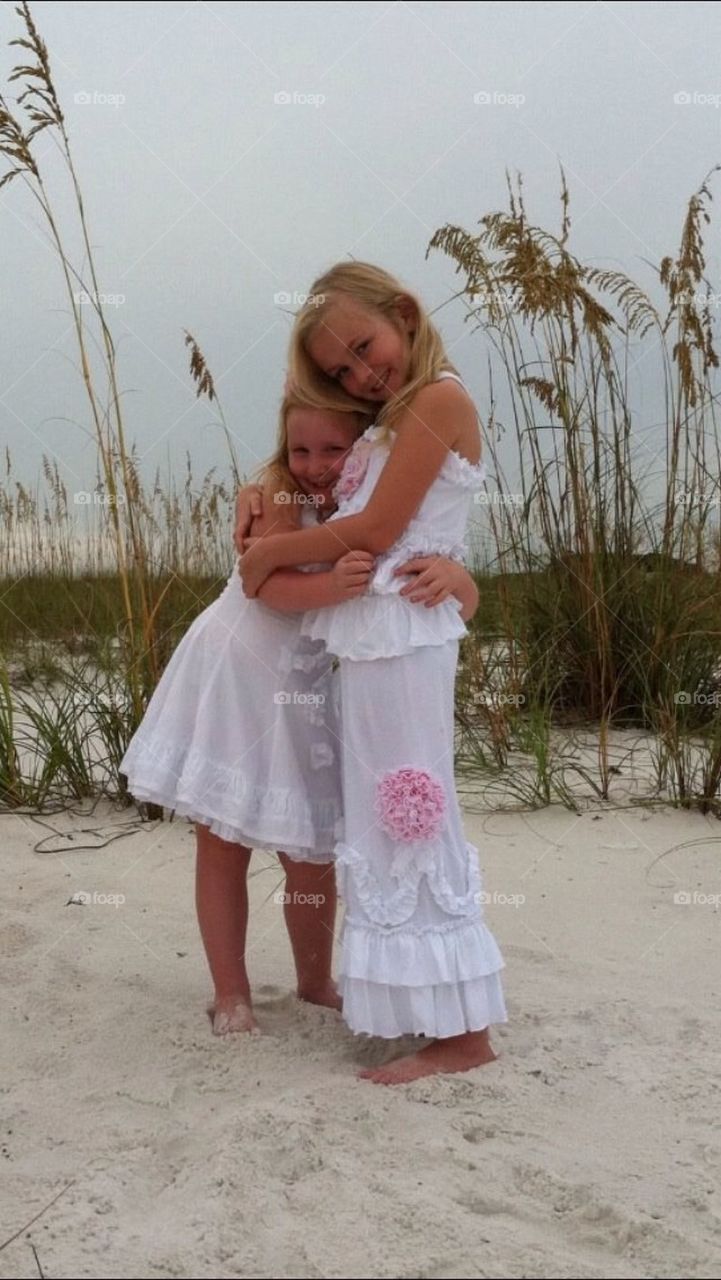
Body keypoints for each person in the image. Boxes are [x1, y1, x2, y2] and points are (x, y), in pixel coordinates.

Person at [121, 387, 480, 1038]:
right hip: (236, 674)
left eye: (333, 449)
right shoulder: (279, 495)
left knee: (310, 849)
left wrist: (461, 583)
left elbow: (429, 593)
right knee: (222, 838)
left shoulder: (377, 503)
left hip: (306, 691)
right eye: (299, 448)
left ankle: (314, 979)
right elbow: (264, 584)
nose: (315, 464)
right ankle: (230, 992)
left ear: (367, 449)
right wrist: (332, 587)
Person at [239, 262, 507, 1084]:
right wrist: (266, 488)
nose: (359, 372)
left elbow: (380, 526)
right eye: (339, 369)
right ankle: (422, 1006)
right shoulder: (392, 413)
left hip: (400, 639)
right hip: (377, 638)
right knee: (385, 814)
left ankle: (463, 1035)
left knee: (410, 808)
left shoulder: (439, 399)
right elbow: (321, 455)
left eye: (363, 348)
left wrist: (271, 552)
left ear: (405, 312)